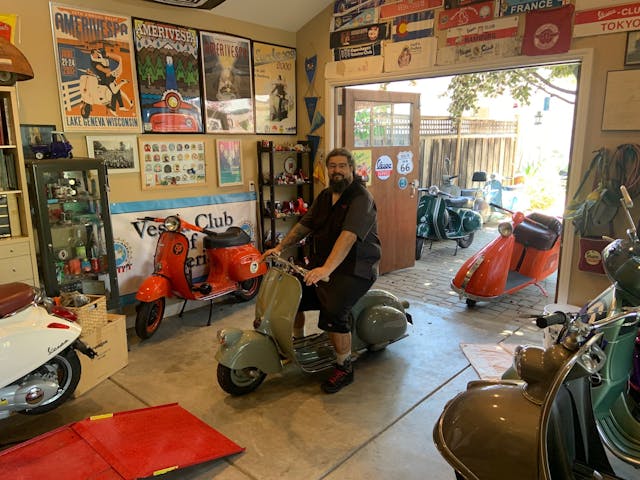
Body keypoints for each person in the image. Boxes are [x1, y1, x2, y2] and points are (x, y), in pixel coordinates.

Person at [261, 147, 381, 393]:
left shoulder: (361, 198)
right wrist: (281, 247)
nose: (336, 170)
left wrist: (326, 268)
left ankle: (344, 366)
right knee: (291, 296)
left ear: (351, 169)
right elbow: (305, 224)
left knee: (334, 310)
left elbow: (348, 237)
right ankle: (296, 342)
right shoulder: (327, 196)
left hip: (355, 268)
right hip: (324, 265)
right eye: (332, 166)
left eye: (342, 166)